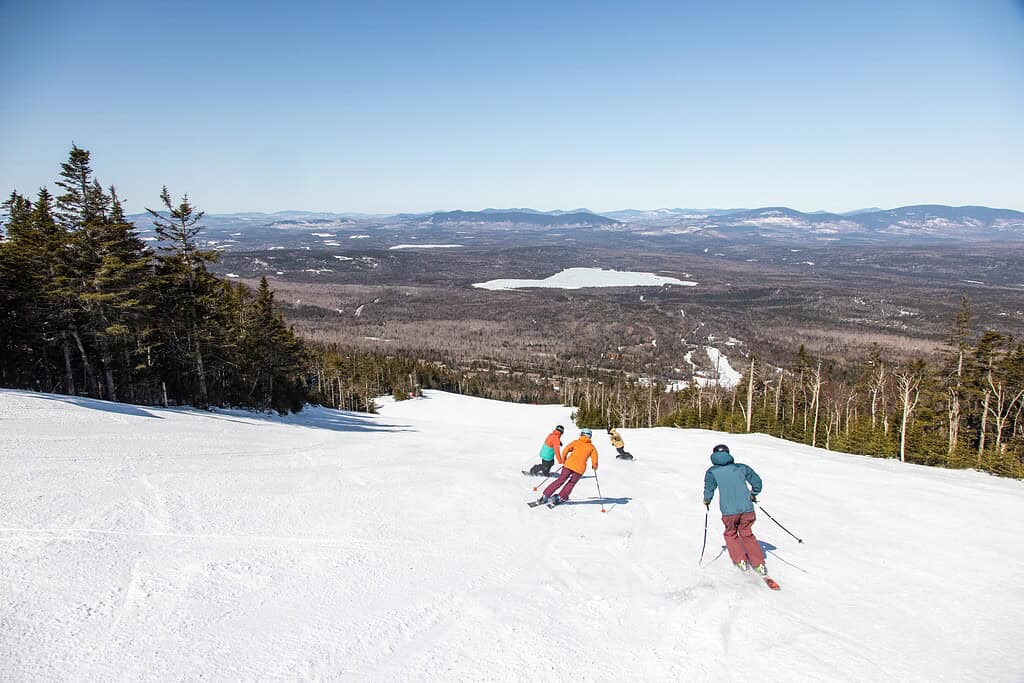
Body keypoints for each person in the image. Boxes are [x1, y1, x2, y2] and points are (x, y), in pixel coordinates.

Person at [702, 443, 767, 575]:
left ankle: (740, 560)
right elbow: (757, 482)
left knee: (730, 533)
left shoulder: (712, 472)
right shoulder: (741, 468)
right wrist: (753, 494)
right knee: (747, 534)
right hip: (747, 509)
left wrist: (707, 500)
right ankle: (759, 563)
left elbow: (709, 488)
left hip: (728, 511)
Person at [538, 427, 598, 505]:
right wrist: (594, 465)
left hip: (568, 465)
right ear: (590, 436)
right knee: (571, 483)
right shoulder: (591, 447)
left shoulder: (575, 442)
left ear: (582, 434)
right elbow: (595, 458)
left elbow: (565, 450)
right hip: (579, 469)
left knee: (559, 480)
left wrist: (564, 460)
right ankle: (561, 497)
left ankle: (545, 496)